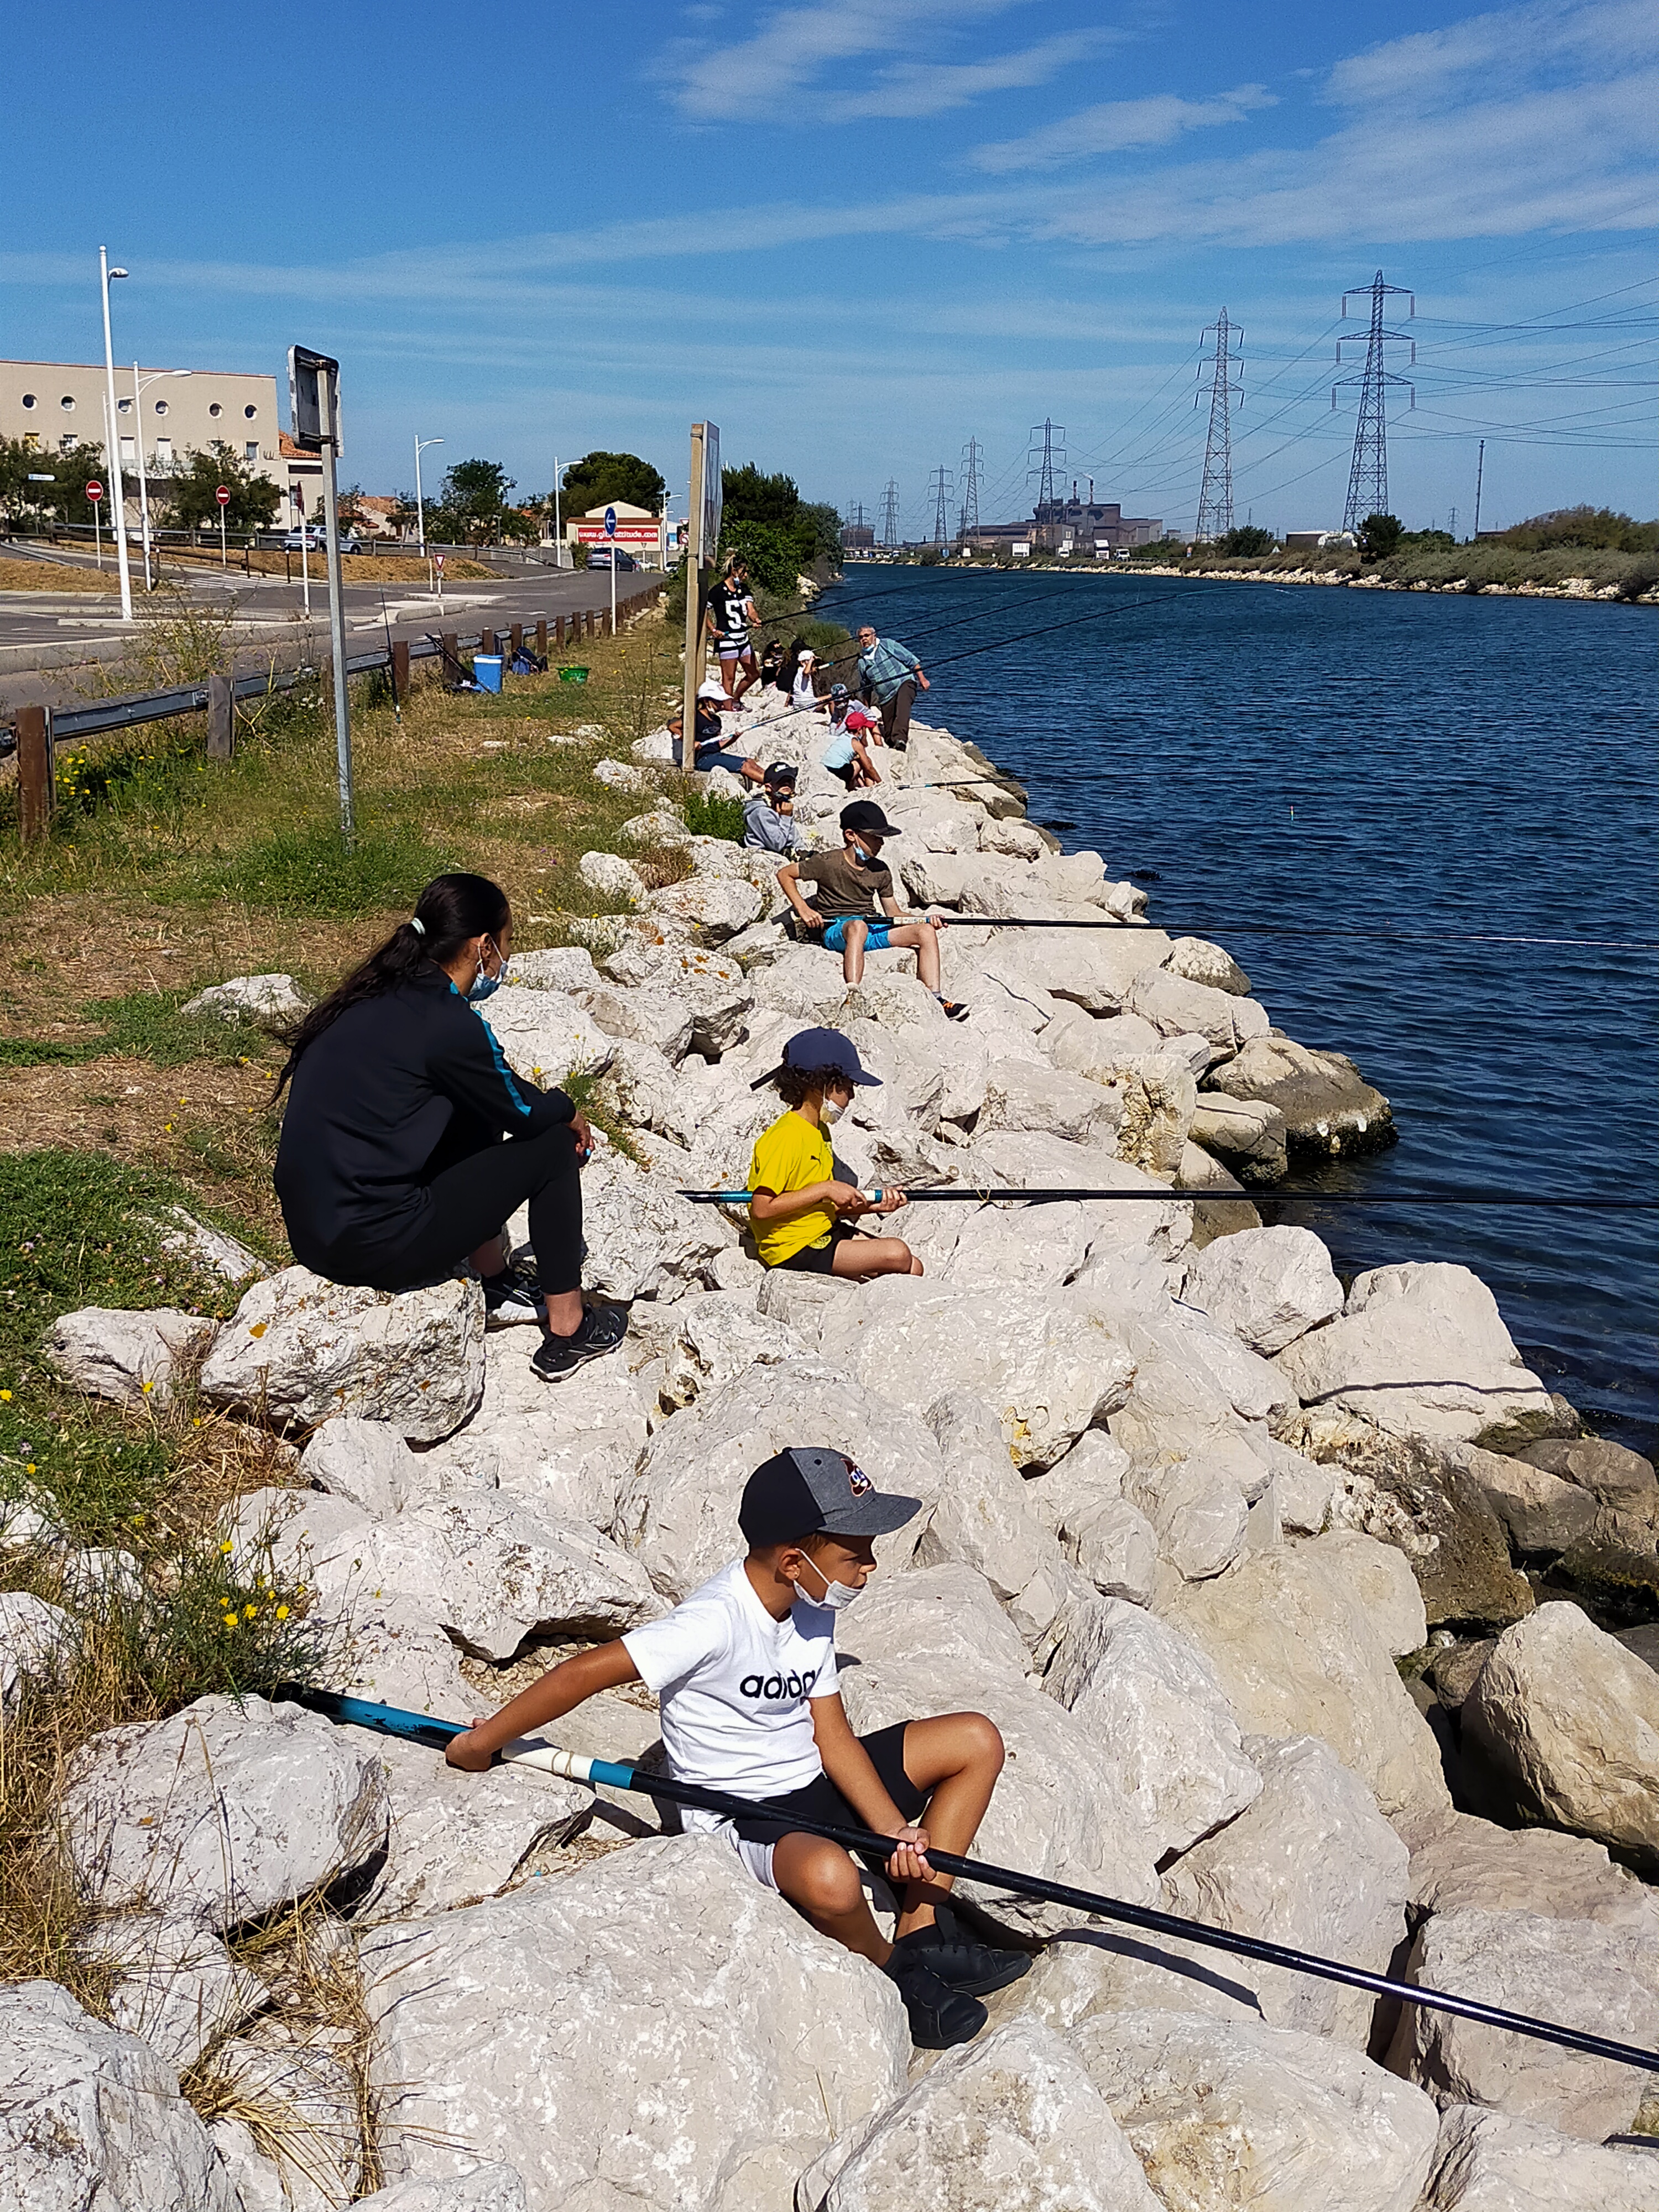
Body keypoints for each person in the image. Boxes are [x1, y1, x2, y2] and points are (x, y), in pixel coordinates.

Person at [444, 1443, 1026, 2048]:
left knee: (974, 1739)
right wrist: (481, 1743)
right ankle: (892, 1969)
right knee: (831, 1879)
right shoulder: (712, 1621)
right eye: (857, 1553)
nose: (871, 1566)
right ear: (796, 1560)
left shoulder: (812, 1602)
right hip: (744, 1815)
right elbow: (582, 1673)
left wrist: (892, 1831)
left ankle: (921, 1926)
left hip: (814, 1788)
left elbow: (832, 1733)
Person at [272, 872, 626, 1384]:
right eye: (506, 946)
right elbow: (522, 1111)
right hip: (375, 1245)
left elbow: (495, 1096)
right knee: (550, 1146)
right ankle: (570, 1329)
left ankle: (494, 1278)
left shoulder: (372, 995)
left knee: (474, 1105)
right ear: (482, 948)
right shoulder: (448, 1022)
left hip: (315, 1232)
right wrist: (568, 1110)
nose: (505, 959)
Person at [748, 1026, 921, 1280]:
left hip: (823, 1229)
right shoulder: (786, 1136)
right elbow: (762, 1208)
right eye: (848, 1086)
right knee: (898, 1254)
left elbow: (821, 1203)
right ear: (821, 1085)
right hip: (793, 1246)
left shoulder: (820, 1131)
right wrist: (826, 1188)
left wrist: (873, 1206)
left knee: (914, 1267)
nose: (852, 1095)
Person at [779, 802, 969, 1018]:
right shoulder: (826, 862)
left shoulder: (881, 870)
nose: (881, 843)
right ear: (851, 835)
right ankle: (853, 994)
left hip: (873, 927)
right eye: (875, 837)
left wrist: (925, 920)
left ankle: (937, 999)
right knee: (857, 927)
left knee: (925, 932)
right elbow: (785, 874)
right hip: (837, 930)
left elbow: (894, 913)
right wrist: (803, 909)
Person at [856, 624, 928, 752]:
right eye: (861, 637)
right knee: (889, 734)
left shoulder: (887, 645)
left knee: (903, 708)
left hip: (904, 683)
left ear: (874, 636)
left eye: (867, 636)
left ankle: (901, 740)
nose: (864, 639)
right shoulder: (862, 662)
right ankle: (893, 741)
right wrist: (866, 710)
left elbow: (911, 659)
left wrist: (922, 679)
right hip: (886, 697)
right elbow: (866, 688)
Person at [681, 680, 763, 786]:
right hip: (703, 759)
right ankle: (773, 785)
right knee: (745, 766)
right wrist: (691, 742)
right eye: (718, 702)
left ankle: (776, 781)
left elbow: (718, 745)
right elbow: (673, 727)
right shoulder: (695, 717)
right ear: (707, 701)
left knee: (750, 762)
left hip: (716, 755)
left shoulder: (717, 720)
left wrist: (734, 738)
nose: (722, 705)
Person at [706, 558, 761, 703]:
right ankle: (727, 707)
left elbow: (751, 610)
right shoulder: (717, 591)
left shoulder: (744, 590)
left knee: (754, 674)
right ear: (734, 571)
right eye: (744, 572)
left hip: (743, 639)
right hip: (727, 641)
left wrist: (755, 619)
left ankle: (736, 698)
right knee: (729, 678)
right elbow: (703, 612)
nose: (746, 575)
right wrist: (713, 629)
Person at [820, 684, 883, 791]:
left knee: (857, 758)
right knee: (865, 761)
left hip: (826, 767)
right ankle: (870, 786)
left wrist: (833, 733)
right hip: (839, 773)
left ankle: (862, 785)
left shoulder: (844, 736)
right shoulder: (856, 743)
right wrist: (881, 783)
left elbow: (846, 723)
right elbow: (868, 767)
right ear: (860, 729)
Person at [743, 762, 801, 855]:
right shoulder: (761, 812)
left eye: (790, 781)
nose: (787, 785)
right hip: (765, 858)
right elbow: (777, 844)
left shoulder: (783, 807)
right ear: (768, 787)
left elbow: (796, 840)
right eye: (781, 782)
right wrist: (785, 818)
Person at [790, 646, 826, 716]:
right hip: (806, 703)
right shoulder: (803, 671)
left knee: (823, 710)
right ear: (802, 662)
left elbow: (807, 672)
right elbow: (806, 672)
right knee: (831, 697)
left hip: (798, 703)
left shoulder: (799, 671)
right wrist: (811, 661)